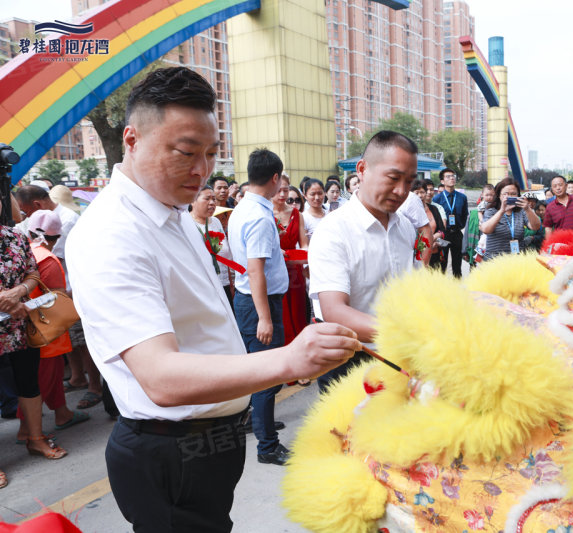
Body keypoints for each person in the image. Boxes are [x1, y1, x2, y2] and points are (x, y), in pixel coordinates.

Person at [65, 67, 358, 531]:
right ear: (132, 139)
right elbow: (160, 376)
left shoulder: (174, 212)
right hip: (169, 449)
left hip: (209, 441)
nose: (201, 169)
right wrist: (288, 360)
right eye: (185, 152)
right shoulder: (110, 234)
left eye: (210, 154)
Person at [309, 130, 417, 393]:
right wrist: (406, 331)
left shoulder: (405, 228)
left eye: (409, 181)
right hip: (350, 360)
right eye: (393, 178)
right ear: (362, 169)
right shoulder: (333, 230)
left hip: (398, 356)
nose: (401, 190)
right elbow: (335, 311)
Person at [228, 149, 295, 466]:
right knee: (268, 377)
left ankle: (261, 423)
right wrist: (265, 319)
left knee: (263, 376)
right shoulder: (257, 217)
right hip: (259, 304)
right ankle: (267, 445)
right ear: (275, 178)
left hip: (251, 300)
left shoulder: (243, 208)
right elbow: (255, 270)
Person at [1, 193, 68, 491]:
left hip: (19, 325)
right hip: (11, 317)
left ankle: (36, 439)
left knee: (29, 384)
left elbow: (31, 273)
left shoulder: (14, 237)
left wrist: (18, 294)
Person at [14, 185, 102, 410]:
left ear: (36, 205)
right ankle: (77, 377)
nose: (25, 217)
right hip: (55, 294)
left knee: (82, 342)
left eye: (25, 212)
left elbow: (53, 256)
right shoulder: (45, 227)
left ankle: (94, 386)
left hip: (71, 290)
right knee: (67, 340)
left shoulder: (67, 220)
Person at [21, 210, 89, 437]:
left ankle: (62, 413)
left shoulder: (23, 252)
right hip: (47, 331)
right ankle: (26, 430)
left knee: (44, 376)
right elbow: (57, 297)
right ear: (56, 238)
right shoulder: (47, 259)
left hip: (27, 329)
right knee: (43, 379)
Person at [272, 175, 310, 346]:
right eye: (278, 190)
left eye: (285, 190)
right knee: (280, 315)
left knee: (297, 311)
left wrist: (305, 257)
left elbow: (304, 245)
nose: (282, 194)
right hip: (273, 270)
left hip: (295, 271)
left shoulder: (296, 214)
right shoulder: (264, 214)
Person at [190, 186, 235, 308]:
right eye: (207, 199)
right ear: (193, 200)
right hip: (202, 288)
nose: (212, 203)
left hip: (223, 284)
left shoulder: (216, 222)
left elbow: (226, 255)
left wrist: (231, 284)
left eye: (213, 199)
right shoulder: (185, 223)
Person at [479, 177, 541, 260]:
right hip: (494, 261)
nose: (509, 196)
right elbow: (486, 230)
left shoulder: (521, 211)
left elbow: (535, 226)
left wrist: (527, 209)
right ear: (499, 195)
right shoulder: (491, 210)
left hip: (516, 260)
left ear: (518, 195)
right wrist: (502, 211)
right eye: (505, 194)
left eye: (513, 194)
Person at [432, 168, 469, 277]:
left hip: (457, 233)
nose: (452, 178)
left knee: (457, 264)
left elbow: (464, 214)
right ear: (442, 181)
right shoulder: (437, 198)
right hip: (443, 234)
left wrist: (459, 226)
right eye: (448, 176)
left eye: (453, 176)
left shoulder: (462, 197)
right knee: (442, 264)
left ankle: (457, 288)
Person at [411, 179, 445, 268]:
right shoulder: (408, 212)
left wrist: (432, 239)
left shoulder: (434, 209)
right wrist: (427, 242)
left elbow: (441, 230)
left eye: (422, 192)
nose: (420, 195)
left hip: (434, 252)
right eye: (416, 192)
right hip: (415, 255)